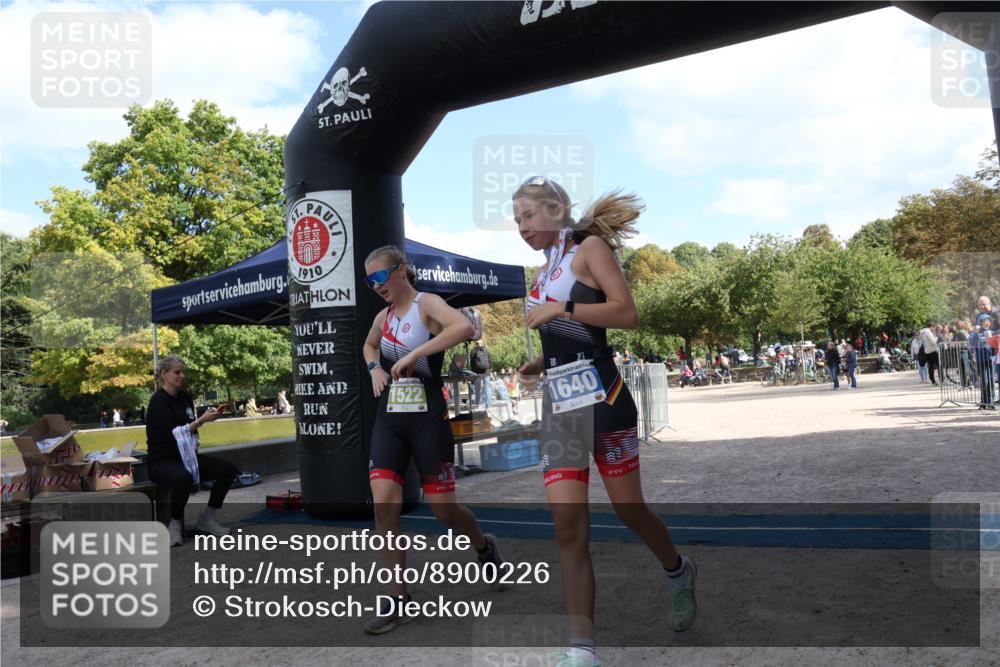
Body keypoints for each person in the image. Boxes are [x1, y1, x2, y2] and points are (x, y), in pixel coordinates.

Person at [513, 176, 695, 666]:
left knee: (629, 511)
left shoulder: (589, 249)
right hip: (561, 411)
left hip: (605, 400)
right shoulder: (541, 273)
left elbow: (626, 313)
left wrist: (564, 306)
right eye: (516, 220)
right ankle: (581, 651)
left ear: (556, 209)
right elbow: (567, 337)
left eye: (528, 215)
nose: (522, 227)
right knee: (568, 529)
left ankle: (678, 570)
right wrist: (540, 363)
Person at [361, 244, 505, 635]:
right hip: (390, 419)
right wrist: (375, 369)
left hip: (427, 418)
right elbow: (369, 344)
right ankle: (399, 599)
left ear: (401, 270)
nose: (376, 286)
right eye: (369, 281)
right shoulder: (382, 317)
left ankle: (484, 547)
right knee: (383, 508)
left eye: (380, 277)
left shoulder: (426, 304)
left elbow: (463, 327)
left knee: (445, 512)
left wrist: (415, 355)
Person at [145, 356, 238, 546]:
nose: (182, 376)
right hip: (162, 461)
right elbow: (173, 434)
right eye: (177, 372)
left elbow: (190, 429)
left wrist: (199, 431)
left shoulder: (186, 398)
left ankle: (207, 518)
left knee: (228, 470)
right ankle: (174, 524)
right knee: (183, 478)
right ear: (164, 374)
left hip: (187, 458)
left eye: (184, 372)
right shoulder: (158, 401)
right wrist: (201, 421)